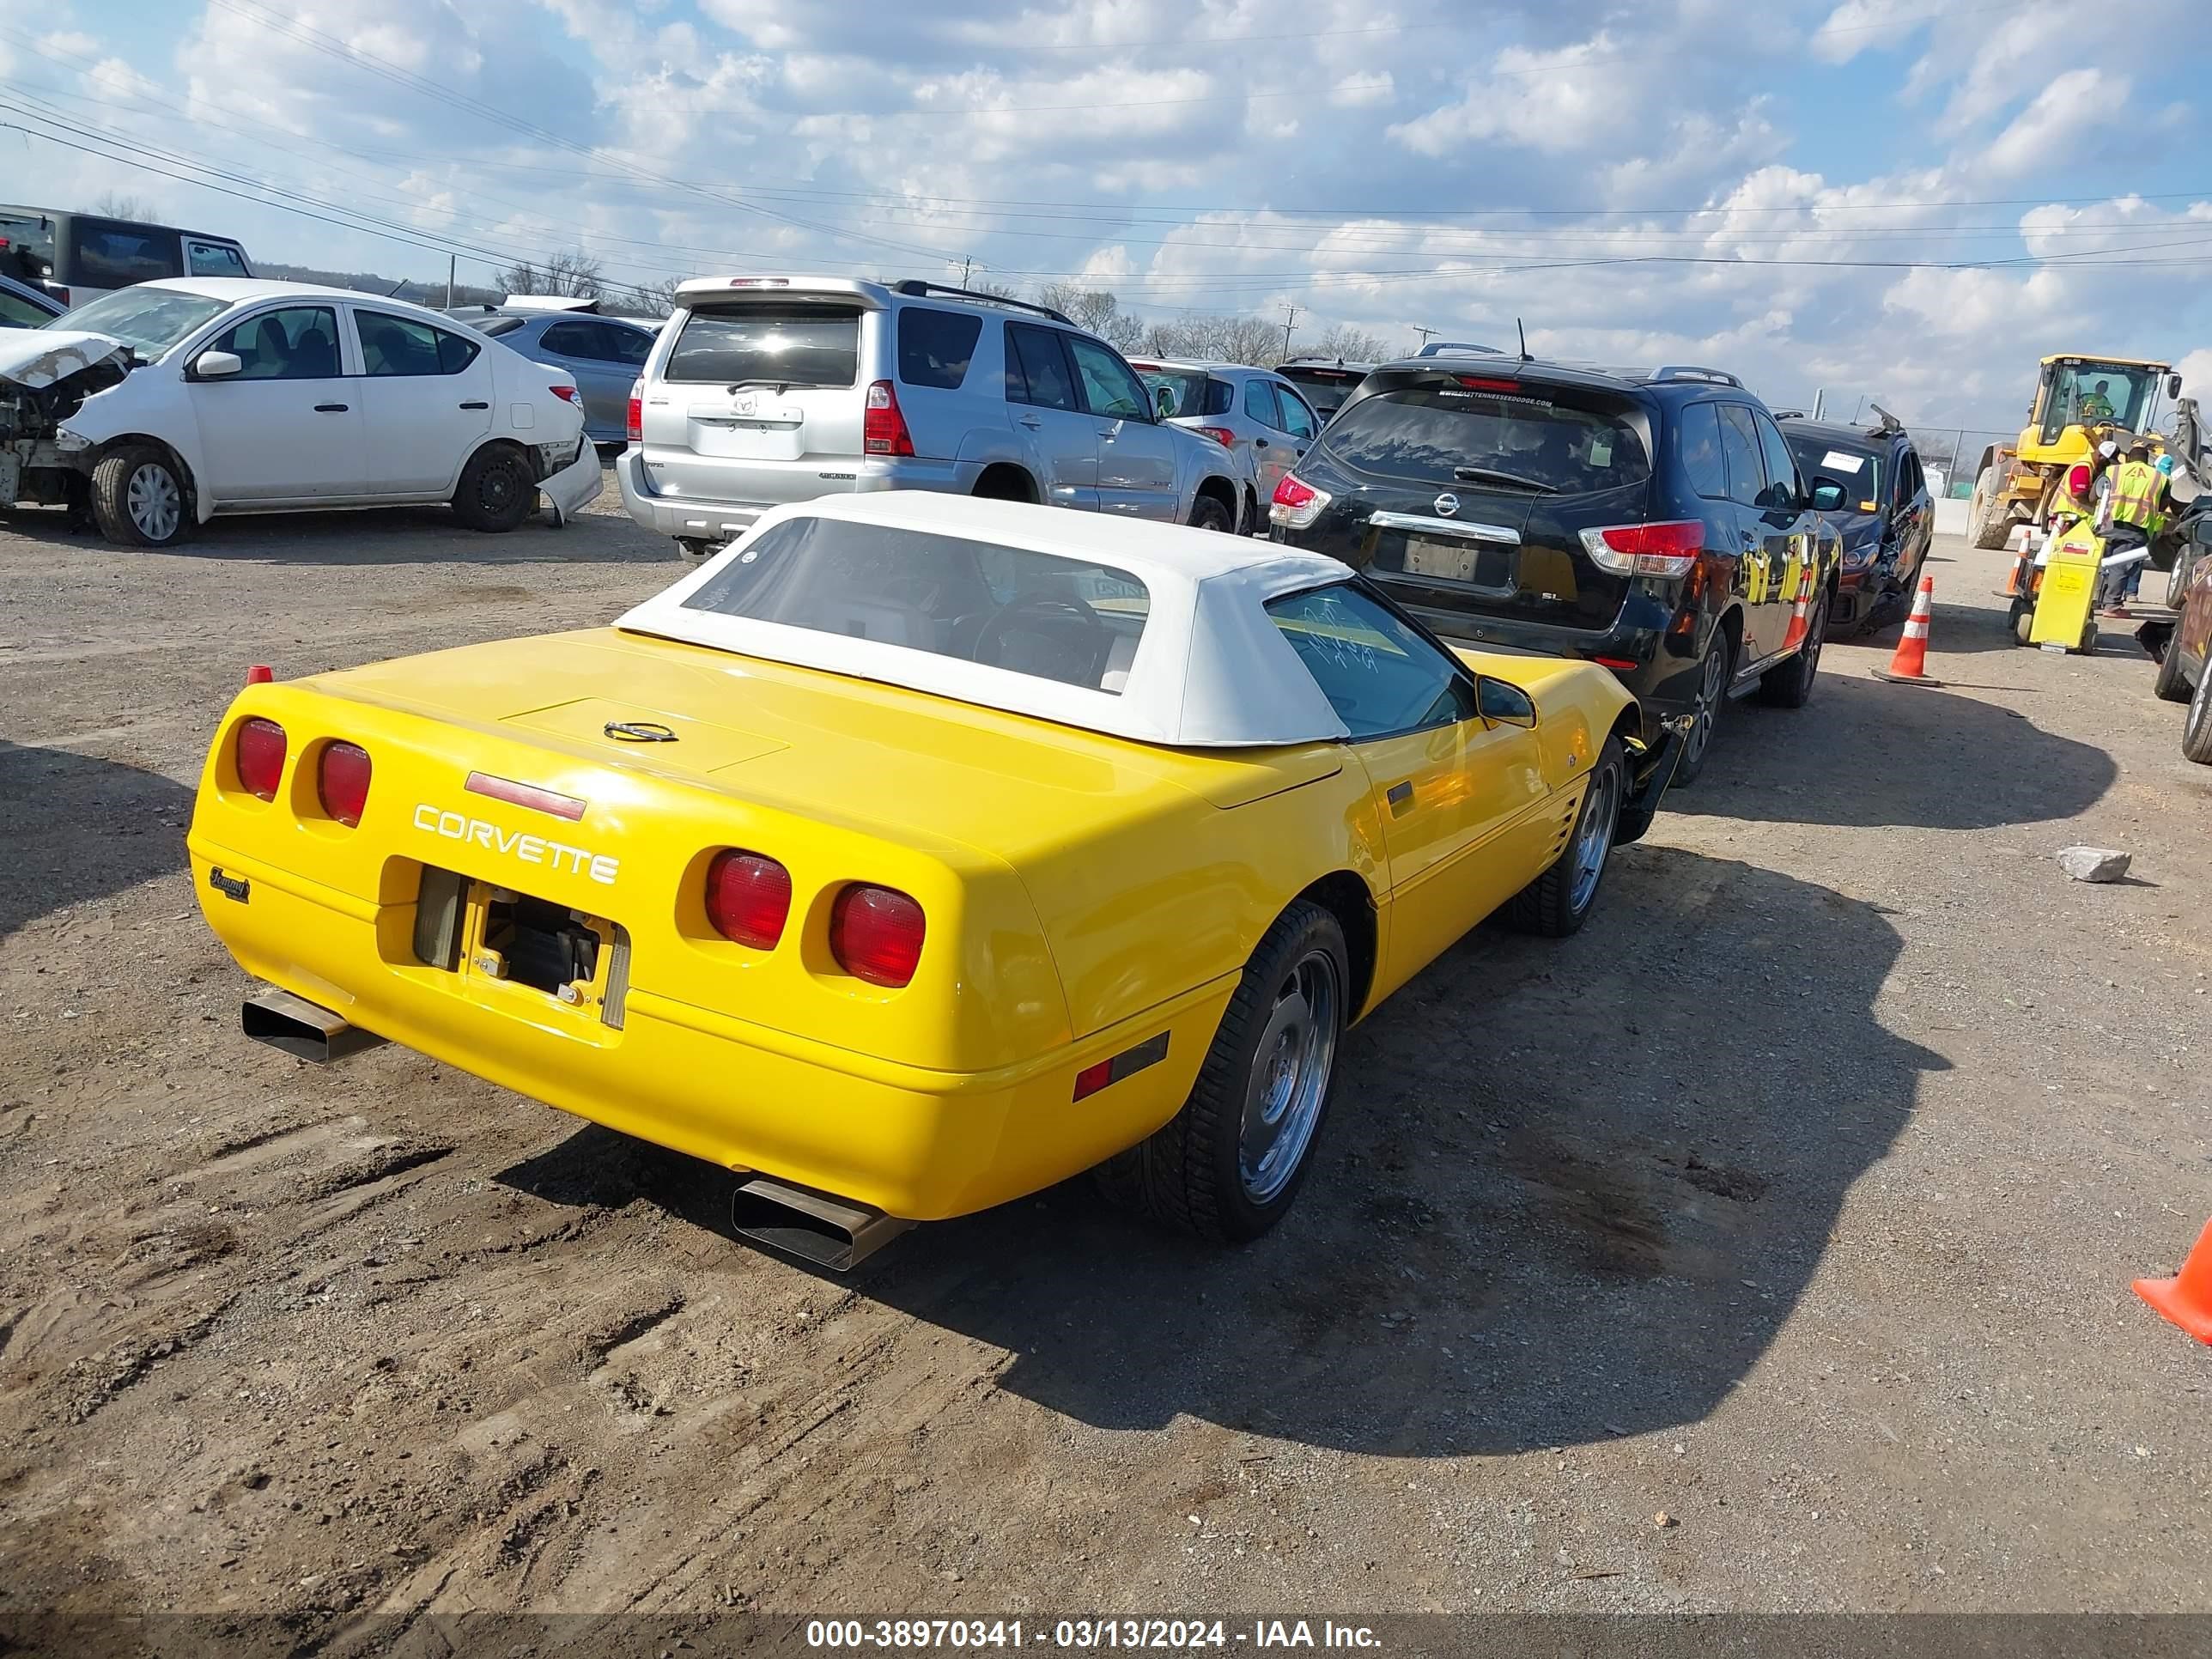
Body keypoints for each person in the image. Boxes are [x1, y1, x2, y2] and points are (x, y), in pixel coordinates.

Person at [2100, 441, 2166, 614]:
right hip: (2136, 526)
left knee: (2099, 563)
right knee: (2120, 566)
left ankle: (2095, 599)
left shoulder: (2113, 471)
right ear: (2147, 460)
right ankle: (2111, 605)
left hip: (2106, 523)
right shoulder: (2159, 477)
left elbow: (2097, 493)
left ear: (2128, 458)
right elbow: (2164, 504)